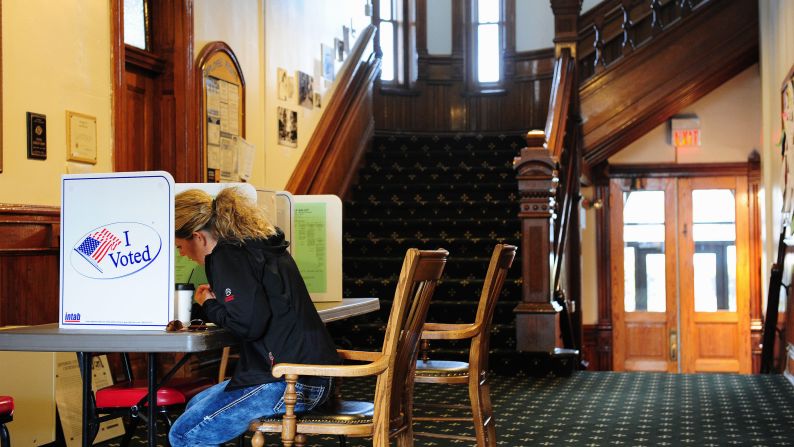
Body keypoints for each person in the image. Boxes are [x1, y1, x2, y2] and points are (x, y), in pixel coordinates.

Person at [169, 187, 340, 447]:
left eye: (181, 246)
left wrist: (209, 304)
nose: (182, 254)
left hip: (290, 381)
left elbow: (249, 325)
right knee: (195, 406)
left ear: (197, 237)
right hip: (314, 376)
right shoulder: (252, 245)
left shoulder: (226, 256)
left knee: (184, 434)